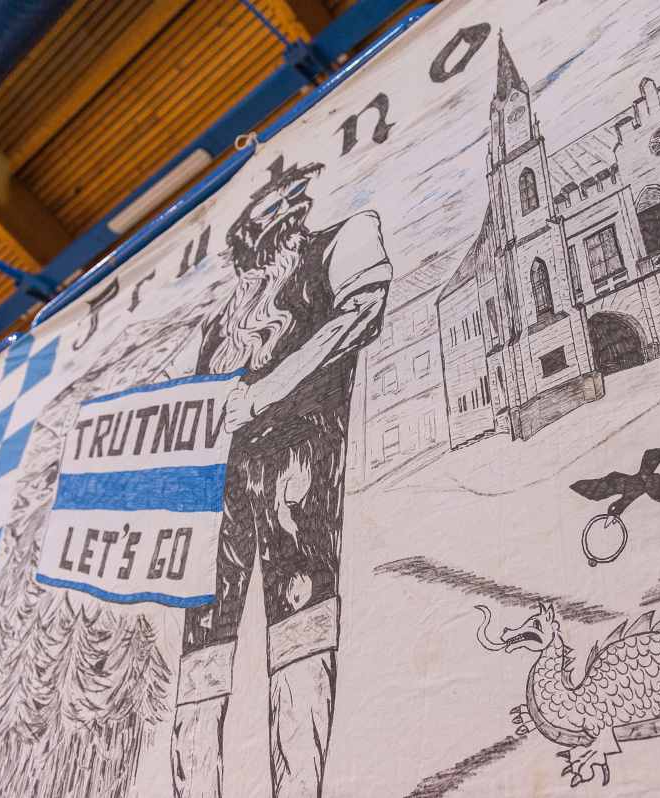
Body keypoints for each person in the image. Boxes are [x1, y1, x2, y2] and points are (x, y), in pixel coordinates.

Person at [172, 154, 392, 798]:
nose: (263, 244)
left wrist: (265, 391)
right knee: (202, 643)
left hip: (300, 466)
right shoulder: (220, 320)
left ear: (292, 218)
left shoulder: (345, 240)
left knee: (301, 618)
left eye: (276, 219)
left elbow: (360, 313)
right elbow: (176, 402)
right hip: (220, 494)